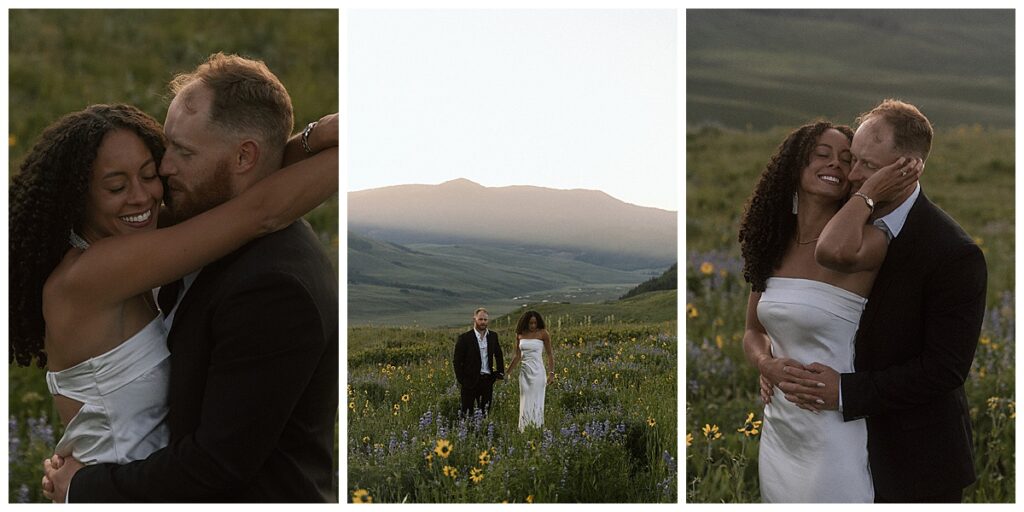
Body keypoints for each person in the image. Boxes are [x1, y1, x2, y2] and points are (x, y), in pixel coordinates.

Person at [32, 53, 339, 502]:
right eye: (167, 145)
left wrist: (84, 488)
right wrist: (319, 143)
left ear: (244, 156)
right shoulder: (140, 247)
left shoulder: (273, 287)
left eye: (181, 152)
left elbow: (217, 468)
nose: (162, 174)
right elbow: (256, 203)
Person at [775, 100, 987, 503]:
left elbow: (944, 369)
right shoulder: (845, 217)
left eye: (868, 167)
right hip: (829, 449)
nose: (852, 176)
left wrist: (845, 392)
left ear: (906, 167)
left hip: (915, 460)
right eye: (854, 160)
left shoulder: (954, 253)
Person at [738, 119, 920, 502]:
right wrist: (766, 365)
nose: (836, 165)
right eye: (822, 155)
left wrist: (867, 192)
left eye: (847, 159)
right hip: (781, 429)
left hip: (835, 430)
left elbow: (831, 250)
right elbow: (753, 331)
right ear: (794, 167)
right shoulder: (773, 244)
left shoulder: (867, 241)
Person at [504, 310, 555, 431]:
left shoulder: (543, 333)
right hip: (524, 374)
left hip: (538, 373)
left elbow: (550, 355)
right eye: (530, 323)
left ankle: (536, 429)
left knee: (537, 402)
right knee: (525, 400)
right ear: (525, 323)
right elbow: (517, 356)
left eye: (535, 323)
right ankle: (523, 430)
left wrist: (551, 373)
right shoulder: (520, 334)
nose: (533, 326)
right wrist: (507, 373)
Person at [453, 308, 504, 417]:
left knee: (485, 413)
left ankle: (484, 433)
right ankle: (467, 433)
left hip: (487, 380)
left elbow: (499, 354)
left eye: (485, 319)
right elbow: (457, 361)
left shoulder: (493, 336)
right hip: (469, 382)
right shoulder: (465, 338)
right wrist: (462, 380)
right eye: (480, 319)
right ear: (474, 319)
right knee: (467, 414)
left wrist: (500, 372)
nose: (483, 322)